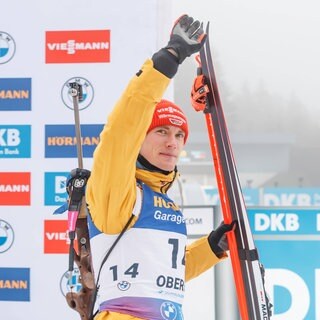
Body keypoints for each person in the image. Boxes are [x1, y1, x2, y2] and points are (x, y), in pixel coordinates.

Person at [86, 14, 234, 320]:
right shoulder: (117, 192)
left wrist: (210, 248)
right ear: (138, 140)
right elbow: (121, 130)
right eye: (162, 132)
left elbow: (165, 274)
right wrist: (169, 59)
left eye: (179, 135)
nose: (173, 143)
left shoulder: (164, 201)